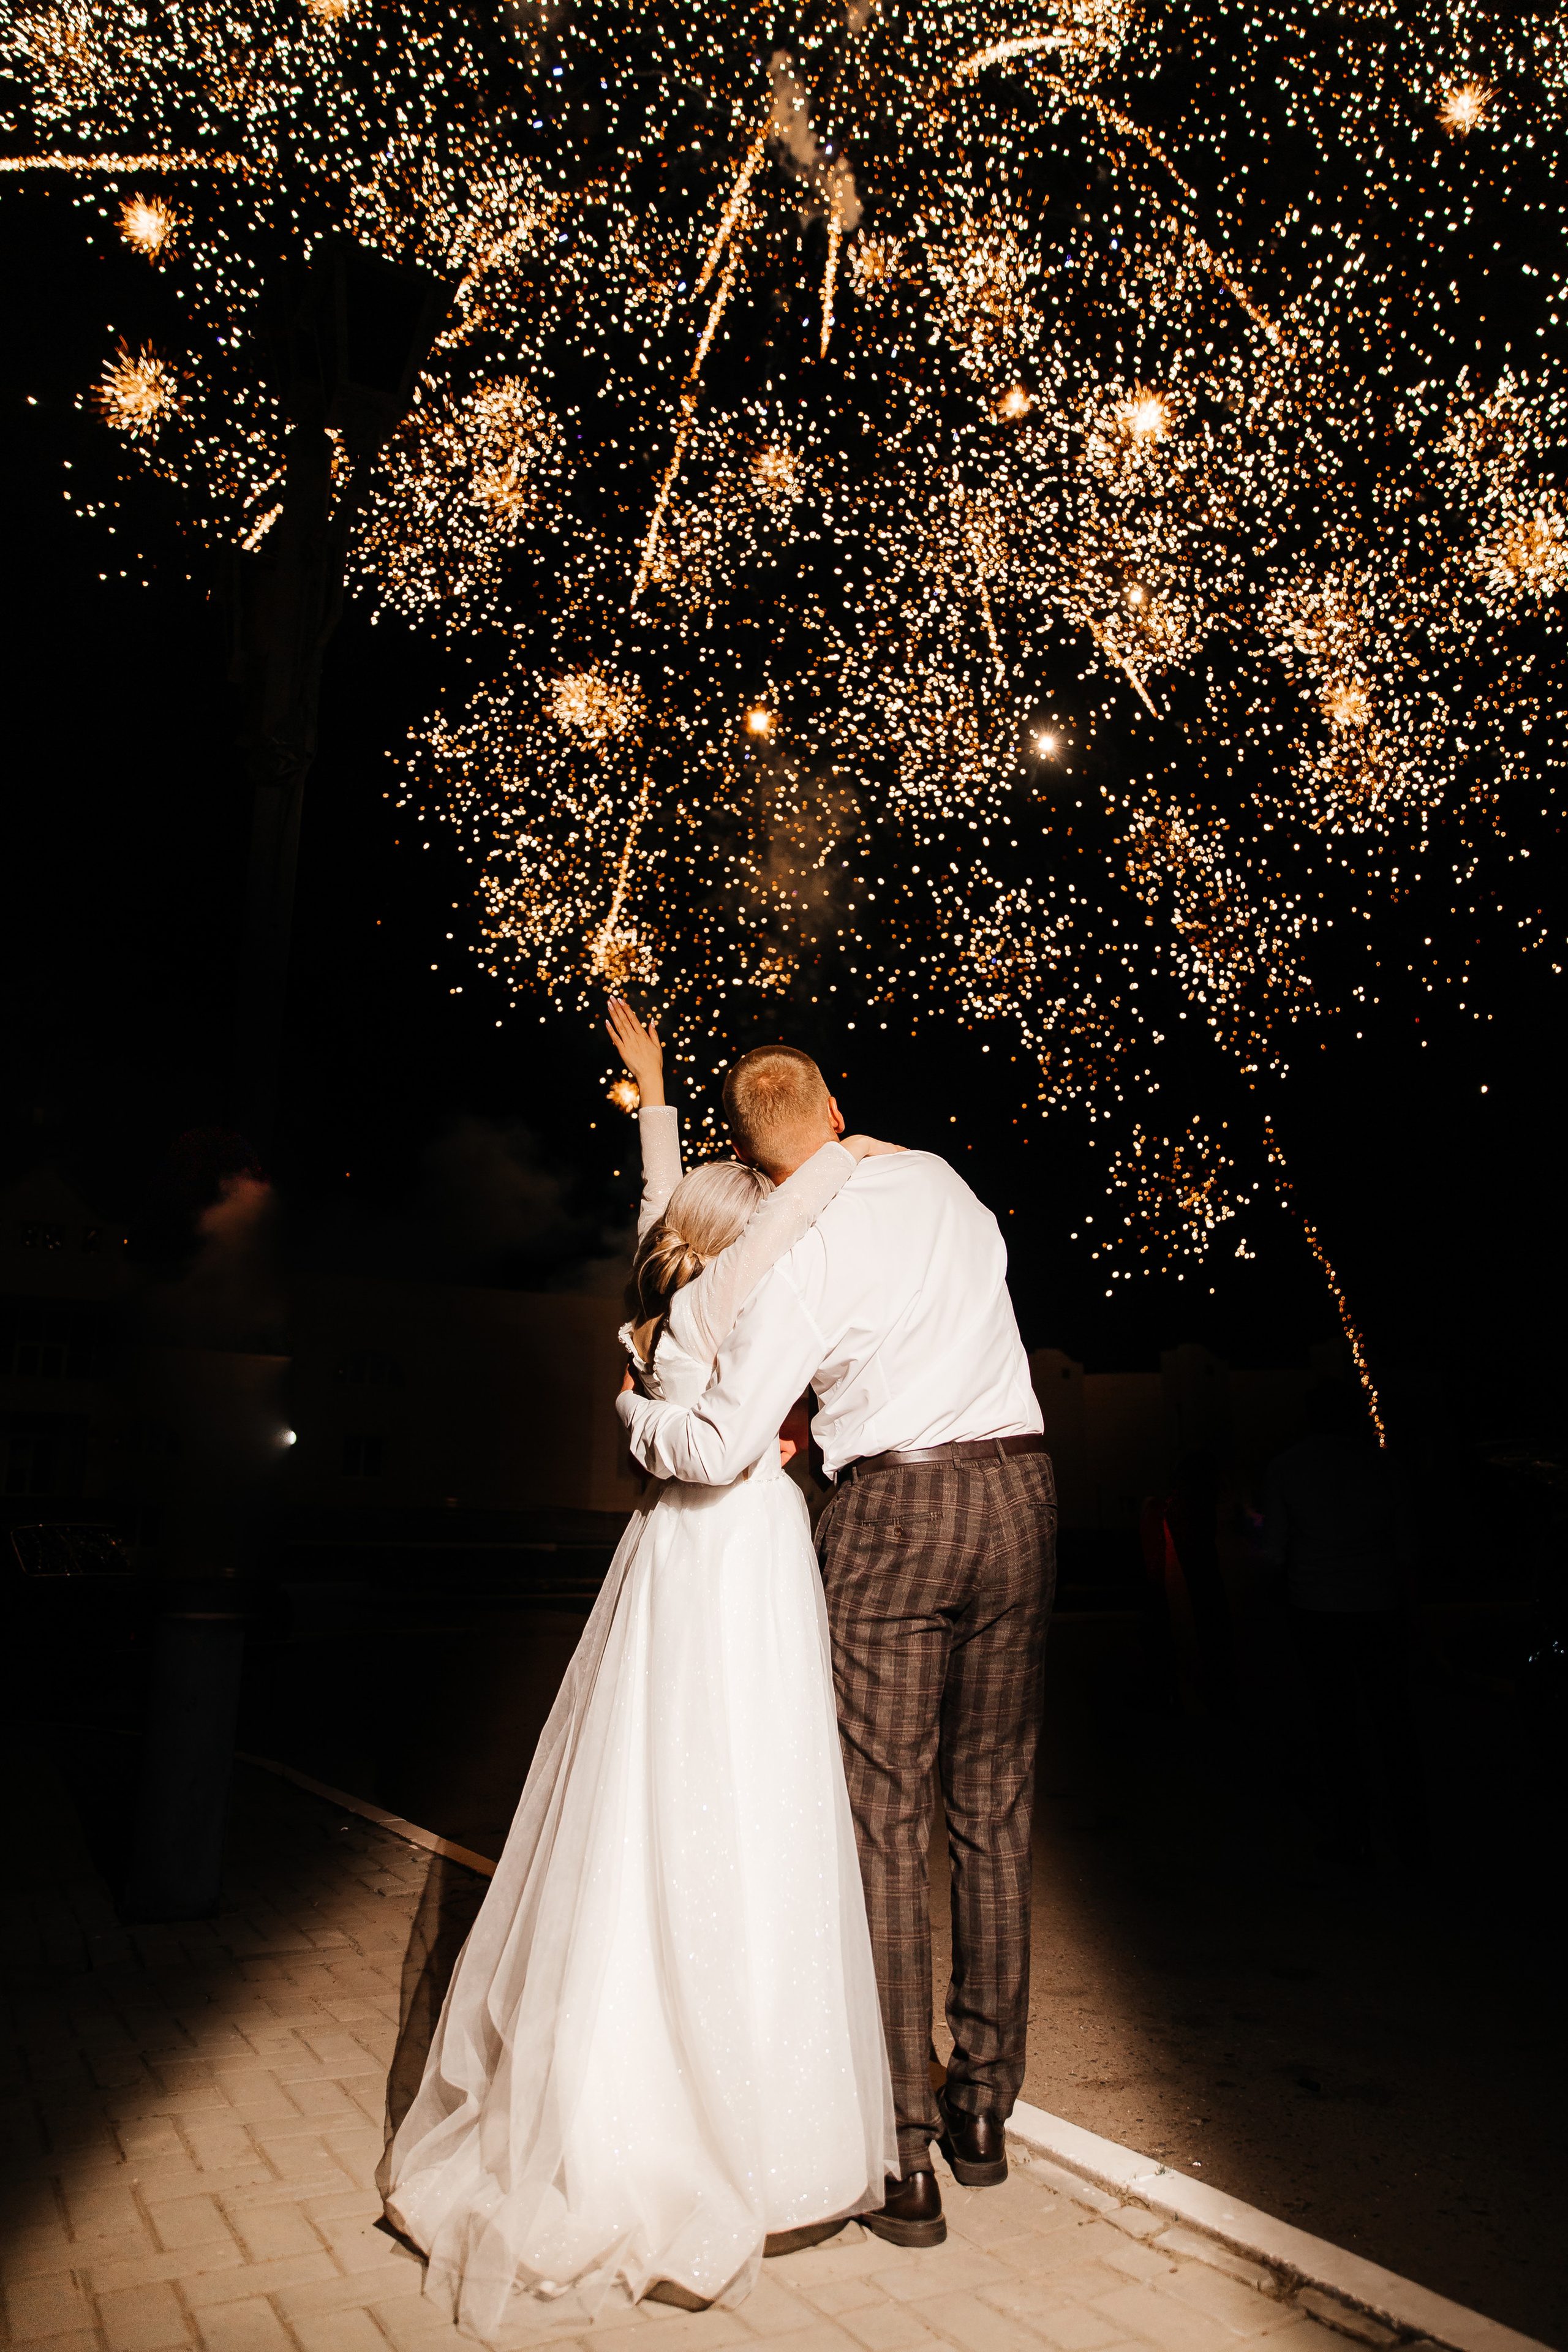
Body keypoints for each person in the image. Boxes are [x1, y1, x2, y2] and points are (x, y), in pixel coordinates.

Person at [382, 1005, 901, 2332]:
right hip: (735, 1556)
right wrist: (765, 1125)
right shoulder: (733, 1279)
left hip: (699, 1557)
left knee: (696, 1795)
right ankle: (758, 2118)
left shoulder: (683, 1297)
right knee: (710, 1796)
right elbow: (697, 1216)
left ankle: (697, 2092)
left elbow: (668, 1228)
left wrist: (635, 1402)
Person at [619, 1042, 1057, 2248]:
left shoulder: (787, 1250)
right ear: (838, 1109)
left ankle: (899, 2150)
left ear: (755, 1165)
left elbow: (728, 1412)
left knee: (883, 1821)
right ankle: (982, 2116)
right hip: (1020, 1492)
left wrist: (643, 1398)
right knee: (992, 1811)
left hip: (900, 1510)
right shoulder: (940, 1187)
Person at [1262, 1379, 1427, 1864]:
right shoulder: (1383, 1468)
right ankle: (1412, 1833)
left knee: (1336, 1723)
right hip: (1378, 1604)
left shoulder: (1287, 1468)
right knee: (1392, 1720)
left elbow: (1274, 1551)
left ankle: (1353, 1832)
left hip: (1316, 1607)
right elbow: (1409, 1549)